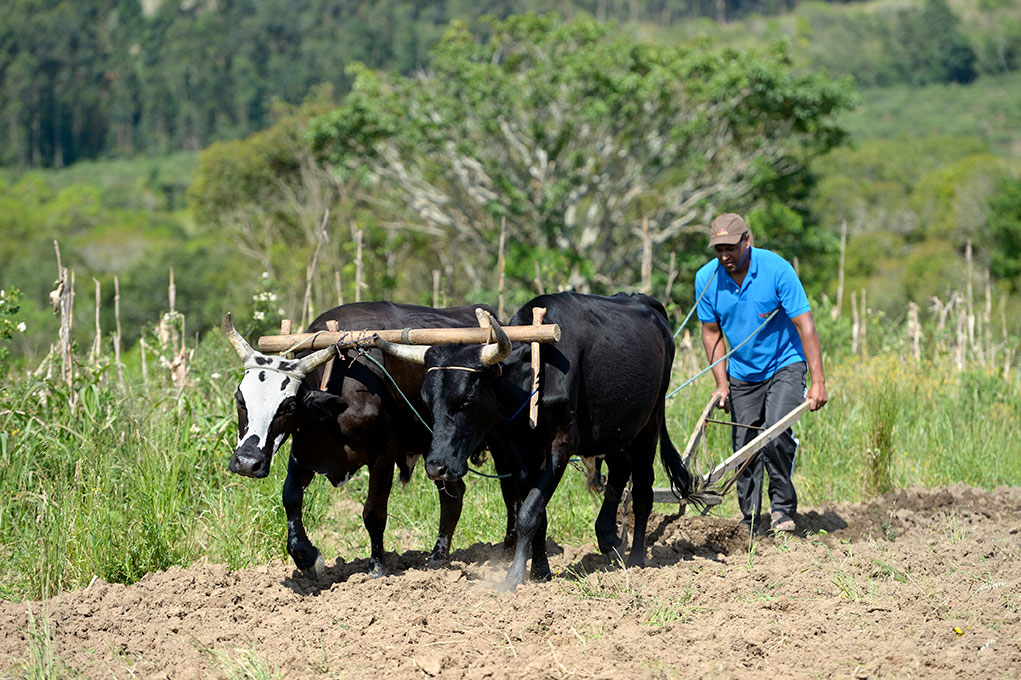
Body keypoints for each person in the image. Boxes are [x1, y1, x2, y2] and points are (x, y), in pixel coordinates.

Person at [695, 213, 828, 535]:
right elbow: (711, 333)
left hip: (785, 362)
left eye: (730, 247)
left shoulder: (777, 270)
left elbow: (804, 325)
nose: (724, 256)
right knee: (744, 447)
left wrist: (818, 382)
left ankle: (782, 510)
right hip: (742, 372)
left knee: (775, 434)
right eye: (718, 249)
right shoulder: (707, 279)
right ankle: (750, 520)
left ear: (747, 241)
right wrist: (721, 383)